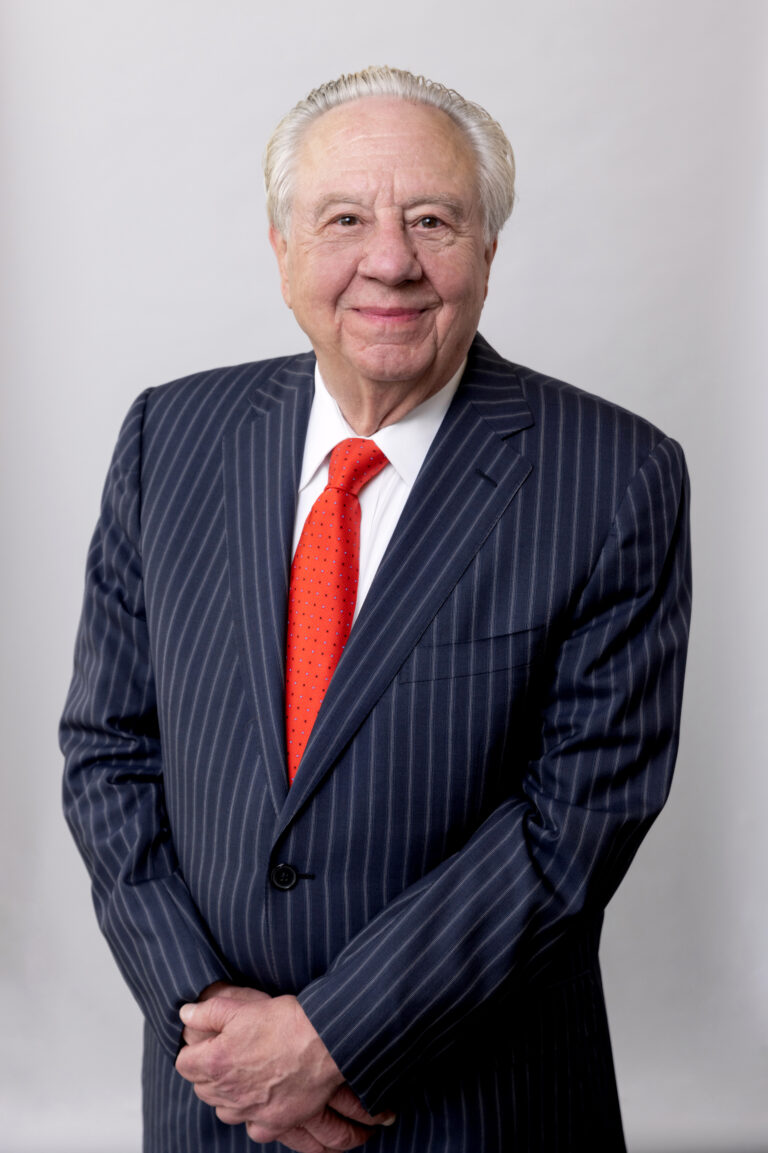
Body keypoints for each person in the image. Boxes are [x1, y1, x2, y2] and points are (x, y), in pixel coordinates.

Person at [60, 66, 692, 1153]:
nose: (389, 260)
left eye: (434, 220)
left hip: (472, 1109)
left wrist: (330, 1041)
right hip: (216, 1102)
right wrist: (212, 1028)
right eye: (344, 217)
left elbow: (574, 822)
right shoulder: (169, 439)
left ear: (488, 248)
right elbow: (108, 748)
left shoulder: (615, 475)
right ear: (282, 250)